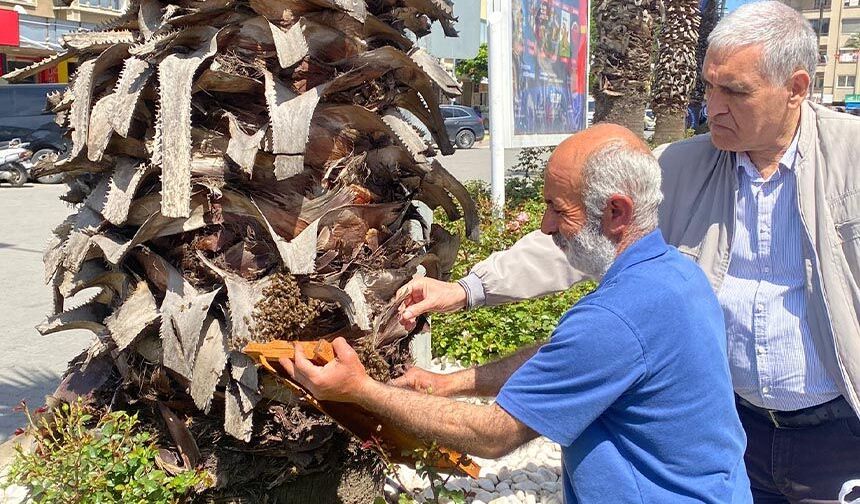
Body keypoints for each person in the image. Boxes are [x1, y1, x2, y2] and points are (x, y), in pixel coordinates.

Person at [398, 2, 860, 502]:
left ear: (796, 88)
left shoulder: (851, 159)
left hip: (838, 432)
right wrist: (468, 290)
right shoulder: (683, 165)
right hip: (734, 426)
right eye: (708, 86)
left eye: (735, 91)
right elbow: (582, 228)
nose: (712, 106)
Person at [283, 125, 752, 504]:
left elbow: (492, 435)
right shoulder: (677, 275)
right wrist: (449, 383)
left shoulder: (614, 318)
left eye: (556, 208)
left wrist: (360, 390)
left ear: (615, 212)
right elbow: (564, 357)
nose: (545, 226)